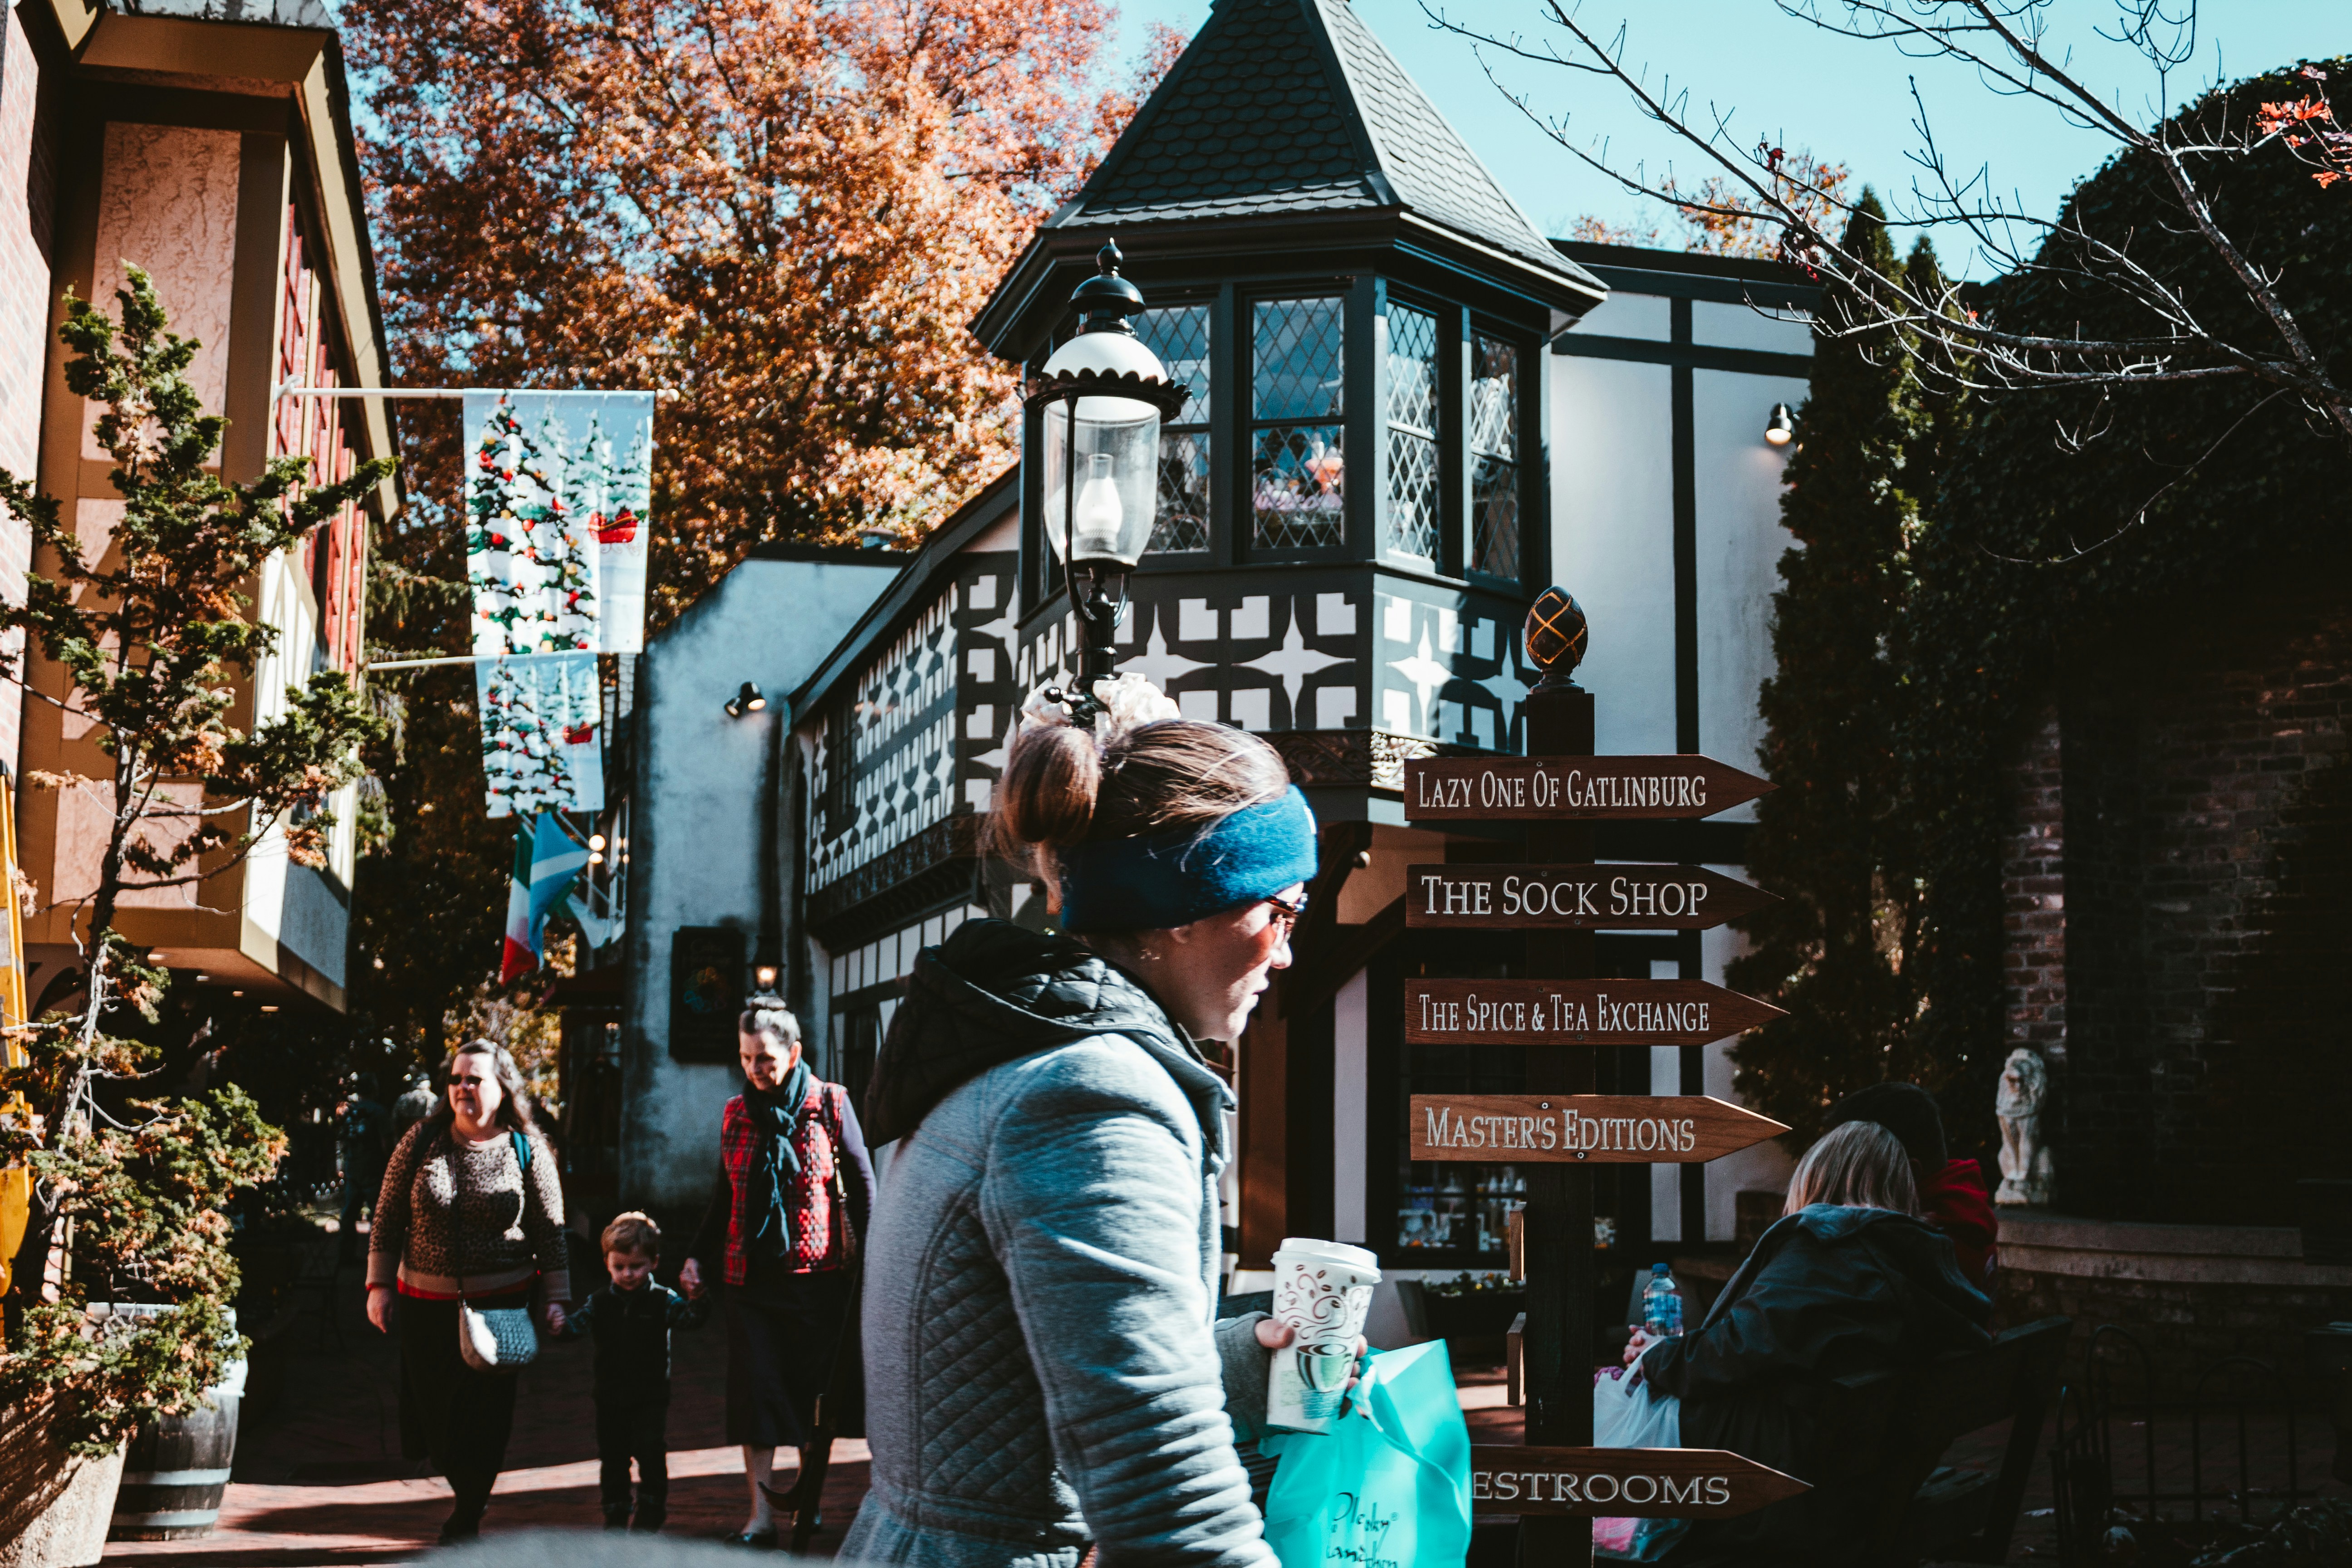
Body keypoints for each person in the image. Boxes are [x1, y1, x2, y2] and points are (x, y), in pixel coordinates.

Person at [841, 696, 1328, 1568]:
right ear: (1189, 903)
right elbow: (1168, 1498)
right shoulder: (1094, 1097)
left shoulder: (1027, 1053)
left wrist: (1238, 1361)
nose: (1286, 951)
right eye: (1280, 910)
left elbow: (1033, 1380)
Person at [1622, 1120, 1994, 1565]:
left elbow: (1734, 1350)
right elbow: (1764, 1345)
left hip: (1790, 1492)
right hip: (1866, 1481)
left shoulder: (1828, 1249)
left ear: (1819, 1178)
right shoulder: (1919, 1256)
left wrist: (1655, 1357)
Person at [681, 995, 872, 1546]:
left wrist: (875, 1262)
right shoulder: (735, 1114)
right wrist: (697, 1255)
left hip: (818, 1283)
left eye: (763, 1058)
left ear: (794, 1052)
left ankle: (807, 1505)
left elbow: (863, 1189)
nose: (753, 1070)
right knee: (757, 1399)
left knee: (816, 1403)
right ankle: (761, 1517)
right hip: (752, 1284)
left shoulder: (830, 1105)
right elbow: (725, 1197)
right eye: (745, 1058)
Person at [367, 1041, 571, 1543]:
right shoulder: (421, 1141)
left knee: (486, 1420)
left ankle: (469, 1508)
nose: (463, 1089)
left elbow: (551, 1229)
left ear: (502, 1089)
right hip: (424, 1305)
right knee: (435, 1414)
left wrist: (557, 1295)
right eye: (457, 1079)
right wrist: (378, 1284)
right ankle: (465, 1488)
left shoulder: (527, 1148)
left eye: (475, 1080)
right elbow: (388, 1216)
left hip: (501, 1304)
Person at [561, 1212, 709, 1533]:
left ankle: (651, 1509)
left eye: (636, 1266)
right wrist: (560, 1326)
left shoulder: (662, 1300)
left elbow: (690, 1320)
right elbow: (576, 1326)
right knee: (613, 1457)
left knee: (651, 1453)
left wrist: (697, 1298)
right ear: (607, 1263)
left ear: (654, 1262)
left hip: (650, 1395)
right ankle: (615, 1511)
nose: (628, 1274)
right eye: (619, 1267)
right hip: (609, 1395)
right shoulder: (600, 1302)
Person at [1824, 1081, 1999, 1289]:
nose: (1842, 1183)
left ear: (1908, 1172)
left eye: (1852, 1168)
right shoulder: (1963, 1209)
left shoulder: (1923, 1249)